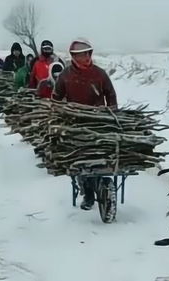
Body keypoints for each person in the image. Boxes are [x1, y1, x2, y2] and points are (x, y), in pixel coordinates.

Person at [54, 38, 118, 210]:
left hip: (99, 122)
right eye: (79, 55)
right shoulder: (66, 75)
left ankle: (101, 184)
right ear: (73, 57)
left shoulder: (100, 74)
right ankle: (88, 193)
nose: (83, 57)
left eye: (85, 54)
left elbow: (110, 94)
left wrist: (112, 112)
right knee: (82, 159)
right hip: (76, 122)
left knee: (102, 153)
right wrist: (60, 112)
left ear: (89, 54)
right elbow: (56, 97)